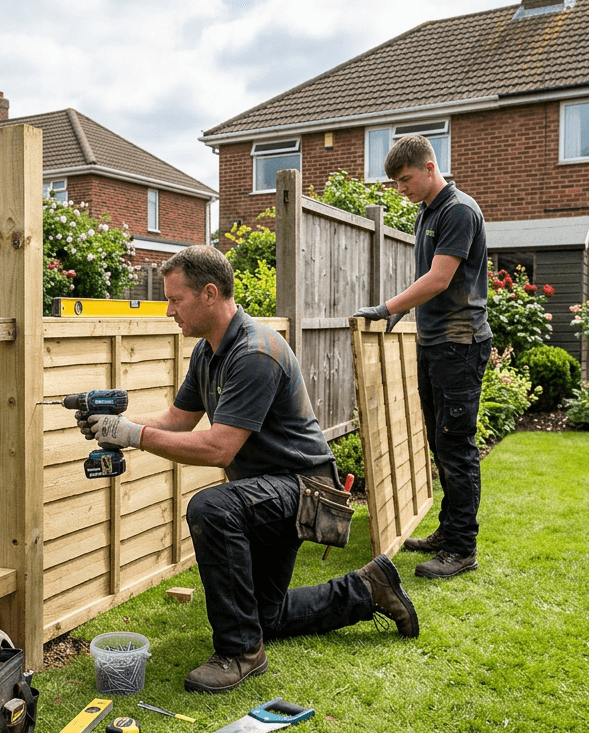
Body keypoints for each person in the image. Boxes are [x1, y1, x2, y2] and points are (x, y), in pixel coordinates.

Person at [84, 245, 419, 694]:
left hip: (305, 493)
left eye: (175, 299)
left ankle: (240, 654)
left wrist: (133, 436)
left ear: (208, 293)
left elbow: (219, 448)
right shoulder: (208, 353)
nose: (168, 311)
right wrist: (115, 426)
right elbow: (177, 422)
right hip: (267, 493)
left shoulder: (255, 352)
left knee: (211, 508)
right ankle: (369, 588)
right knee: (266, 616)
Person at [353, 134, 491, 580]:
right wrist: (407, 315)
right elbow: (430, 282)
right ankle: (449, 532)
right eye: (395, 182)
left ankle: (461, 548)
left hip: (459, 343)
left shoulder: (457, 211)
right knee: (440, 440)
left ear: (430, 168)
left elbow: (439, 278)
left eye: (406, 179)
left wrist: (388, 308)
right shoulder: (427, 212)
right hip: (436, 341)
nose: (401, 189)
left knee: (456, 446)